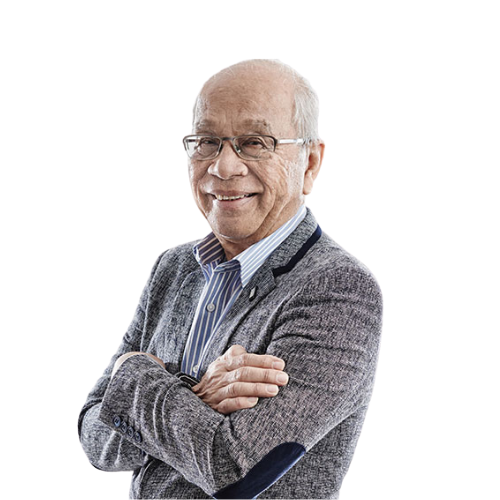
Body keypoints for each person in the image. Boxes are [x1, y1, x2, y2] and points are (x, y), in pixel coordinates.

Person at [78, 58, 384, 499]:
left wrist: (132, 372)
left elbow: (235, 469)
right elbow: (93, 437)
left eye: (254, 143)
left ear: (310, 163)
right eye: (207, 141)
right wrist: (195, 394)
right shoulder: (173, 267)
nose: (223, 167)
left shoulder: (338, 289)